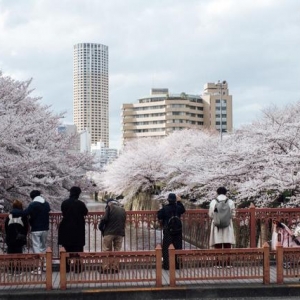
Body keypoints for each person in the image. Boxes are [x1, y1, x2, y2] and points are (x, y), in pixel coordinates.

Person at [58, 186, 88, 273]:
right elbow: (85, 212)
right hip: (78, 229)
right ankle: (78, 268)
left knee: (66, 248)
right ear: (78, 194)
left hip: (65, 228)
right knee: (78, 249)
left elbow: (63, 212)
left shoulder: (64, 203)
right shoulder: (81, 204)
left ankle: (66, 268)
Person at [23, 190, 51, 275]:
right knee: (43, 247)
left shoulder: (33, 204)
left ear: (32, 197)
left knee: (36, 248)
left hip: (35, 229)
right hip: (45, 228)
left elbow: (25, 213)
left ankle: (38, 268)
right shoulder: (46, 203)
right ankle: (45, 265)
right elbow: (48, 210)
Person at [157, 193, 186, 270]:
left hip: (168, 230)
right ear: (175, 200)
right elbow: (183, 210)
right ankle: (177, 265)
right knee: (177, 247)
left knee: (166, 248)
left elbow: (159, 215)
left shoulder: (165, 208)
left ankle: (166, 265)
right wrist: (179, 201)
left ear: (168, 200)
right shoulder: (178, 207)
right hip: (178, 230)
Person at [209, 187, 236, 267]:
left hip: (217, 225)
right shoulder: (230, 202)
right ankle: (228, 263)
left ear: (217, 193)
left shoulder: (214, 201)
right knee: (227, 244)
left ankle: (218, 263)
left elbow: (211, 214)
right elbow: (233, 214)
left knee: (218, 244)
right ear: (226, 193)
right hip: (227, 225)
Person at [99, 199, 126, 273]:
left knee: (106, 250)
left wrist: (101, 227)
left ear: (109, 203)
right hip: (120, 232)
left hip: (109, 232)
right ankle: (115, 268)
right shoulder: (123, 209)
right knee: (117, 250)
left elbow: (105, 219)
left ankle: (106, 268)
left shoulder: (109, 207)